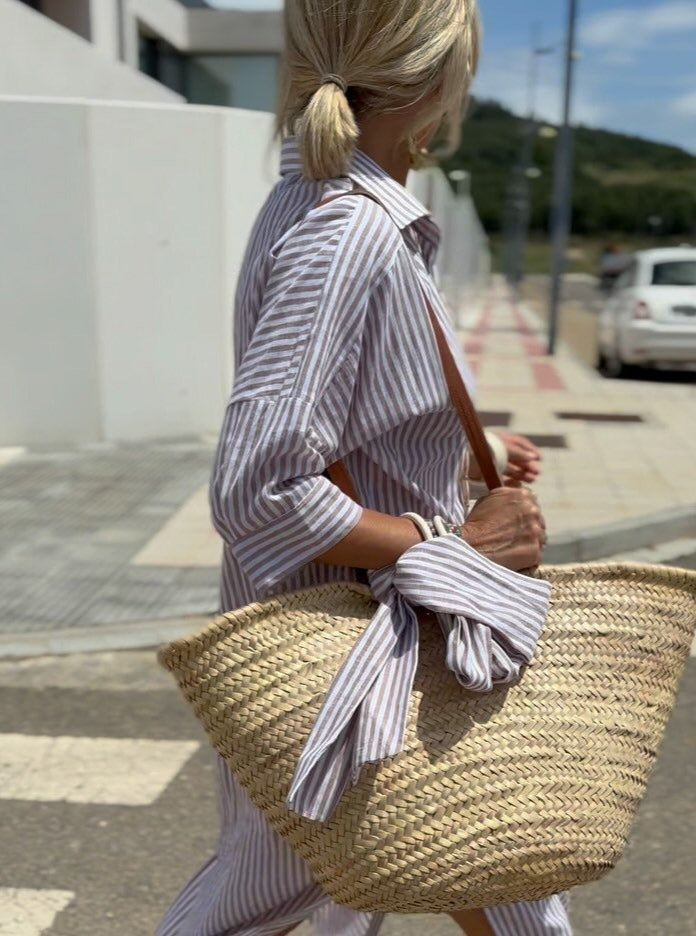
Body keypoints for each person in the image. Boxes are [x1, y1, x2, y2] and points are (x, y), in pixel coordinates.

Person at [156, 0, 571, 934]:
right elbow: (261, 488)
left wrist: (466, 449)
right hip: (354, 647)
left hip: (349, 639)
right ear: (436, 80)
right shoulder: (350, 234)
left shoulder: (312, 202)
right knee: (284, 895)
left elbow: (339, 413)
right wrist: (454, 539)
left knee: (295, 890)